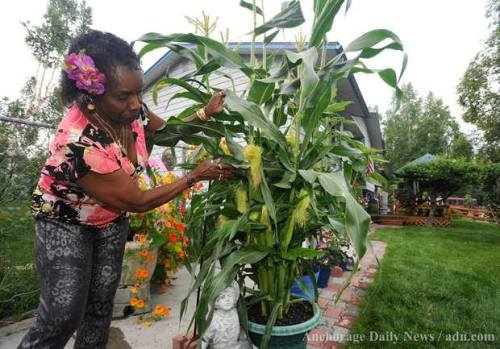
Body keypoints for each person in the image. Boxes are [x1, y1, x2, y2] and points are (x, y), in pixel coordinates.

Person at [18, 29, 233, 349]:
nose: (135, 104)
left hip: (108, 217)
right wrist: (194, 176)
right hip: (63, 218)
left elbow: (166, 133)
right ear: (92, 93)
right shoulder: (78, 142)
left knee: (101, 307)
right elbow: (137, 200)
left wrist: (204, 112)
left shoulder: (133, 111)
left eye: (139, 93)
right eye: (124, 96)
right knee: (63, 314)